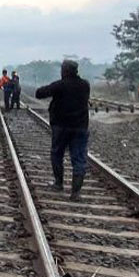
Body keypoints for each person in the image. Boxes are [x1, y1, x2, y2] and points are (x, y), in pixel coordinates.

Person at [35, 60, 91, 201]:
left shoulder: (60, 85)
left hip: (61, 126)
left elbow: (39, 93)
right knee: (79, 158)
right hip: (80, 127)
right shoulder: (85, 85)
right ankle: (76, 192)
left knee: (57, 154)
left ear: (65, 71)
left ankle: (58, 183)